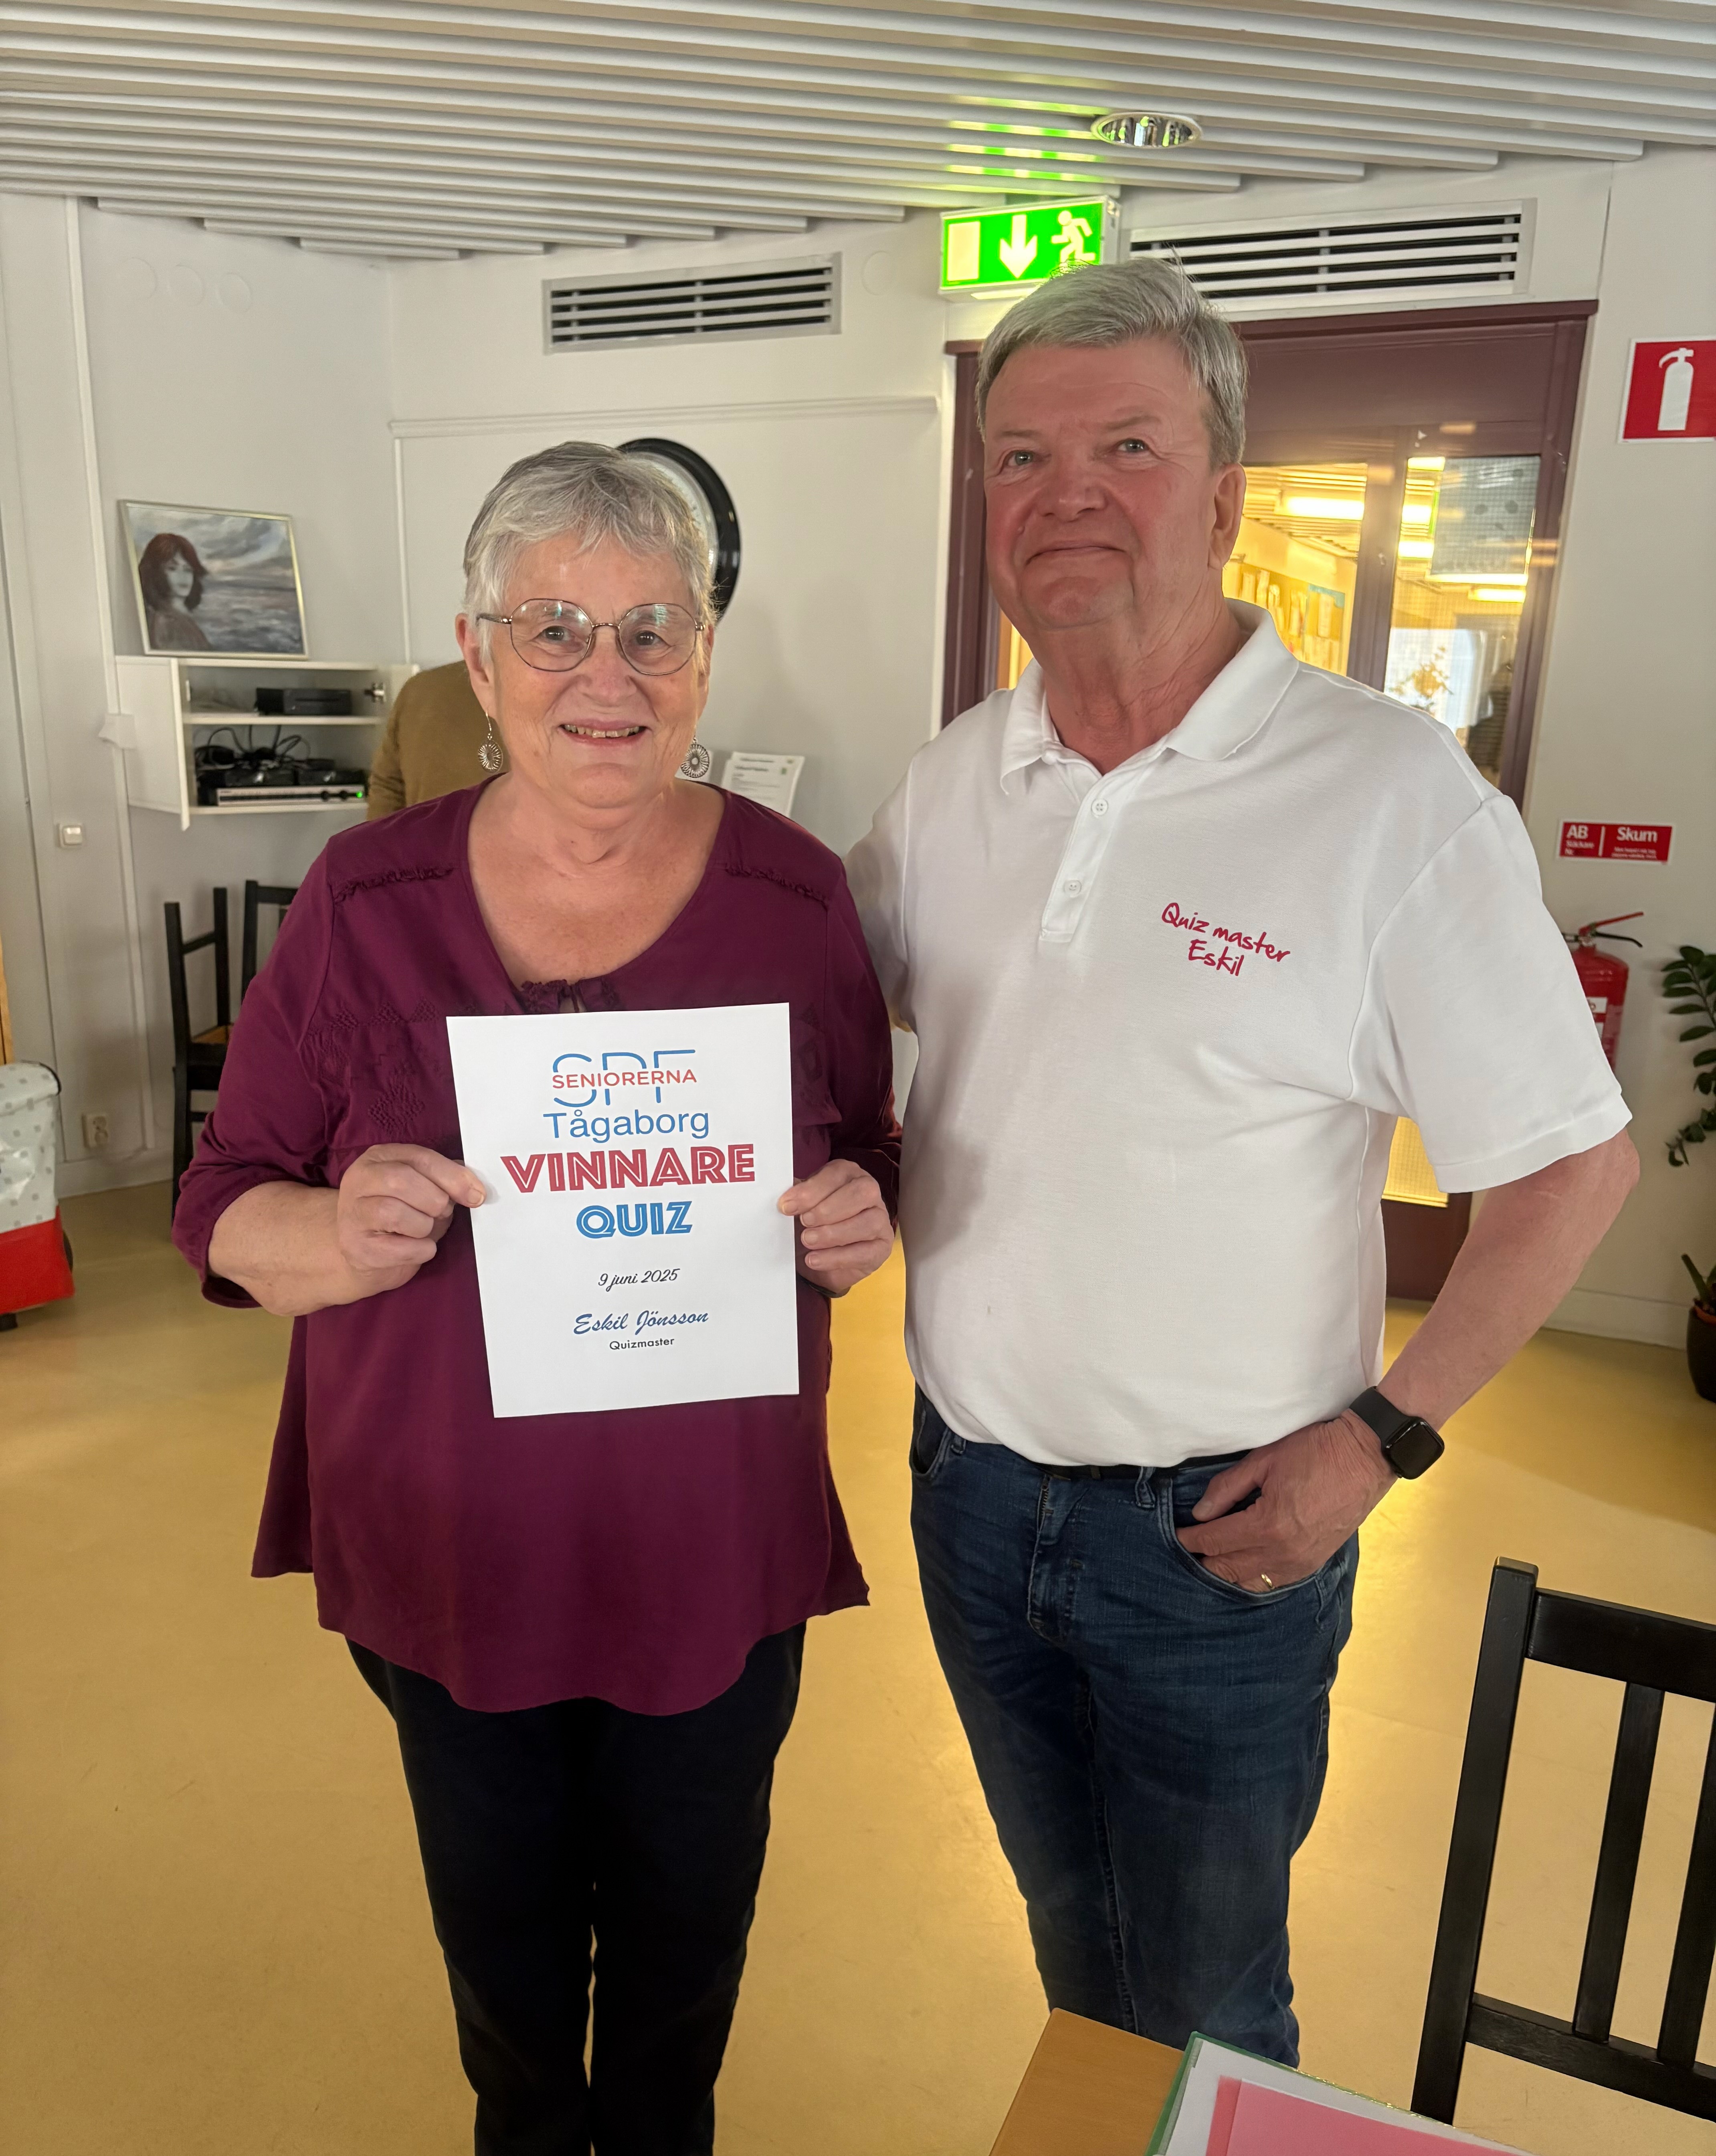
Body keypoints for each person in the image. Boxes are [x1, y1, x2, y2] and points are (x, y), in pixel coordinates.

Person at [846, 260, 1636, 2065]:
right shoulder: (952, 785)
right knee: (1077, 1955)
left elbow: (1569, 1167)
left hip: (1219, 1536)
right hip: (972, 1496)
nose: (1066, 494)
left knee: (1209, 1998)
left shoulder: (1388, 796)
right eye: (1022, 456)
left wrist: (1383, 1438)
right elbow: (822, 1029)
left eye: (1125, 446)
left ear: (1221, 495)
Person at [172, 440, 899, 2154]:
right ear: (477, 655)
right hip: (455, 1553)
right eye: (555, 627)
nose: (606, 676)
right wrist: (338, 1232)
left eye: (653, 630)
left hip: (708, 1549)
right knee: (505, 1988)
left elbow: (869, 1152)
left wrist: (861, 1218)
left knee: (679, 1983)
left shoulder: (794, 897)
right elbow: (222, 1204)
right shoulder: (367, 902)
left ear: (704, 656)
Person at [365, 659, 506, 815]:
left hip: (422, 829)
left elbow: (387, 789)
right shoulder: (420, 691)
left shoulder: (420, 689)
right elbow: (388, 787)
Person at [137, 531, 212, 651]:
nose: (183, 577)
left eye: (188, 570)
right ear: (156, 573)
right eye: (172, 569)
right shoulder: (165, 624)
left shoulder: (181, 618)